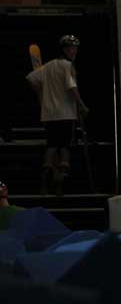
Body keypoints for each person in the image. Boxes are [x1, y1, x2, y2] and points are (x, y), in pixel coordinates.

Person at [26, 35, 88, 196]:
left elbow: (32, 79)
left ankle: (46, 177)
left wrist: (41, 95)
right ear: (65, 50)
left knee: (52, 145)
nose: (74, 51)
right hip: (66, 113)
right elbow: (72, 87)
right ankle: (61, 177)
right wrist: (81, 105)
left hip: (49, 113)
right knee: (65, 146)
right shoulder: (67, 66)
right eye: (72, 48)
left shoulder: (48, 66)